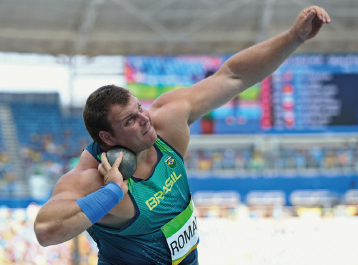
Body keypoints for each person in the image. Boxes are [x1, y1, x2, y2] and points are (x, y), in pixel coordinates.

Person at [34, 6, 330, 265]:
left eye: (140, 108)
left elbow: (233, 76)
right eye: (130, 120)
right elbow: (45, 231)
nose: (145, 119)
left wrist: (294, 37)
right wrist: (111, 193)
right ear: (107, 138)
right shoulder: (92, 178)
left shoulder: (166, 124)